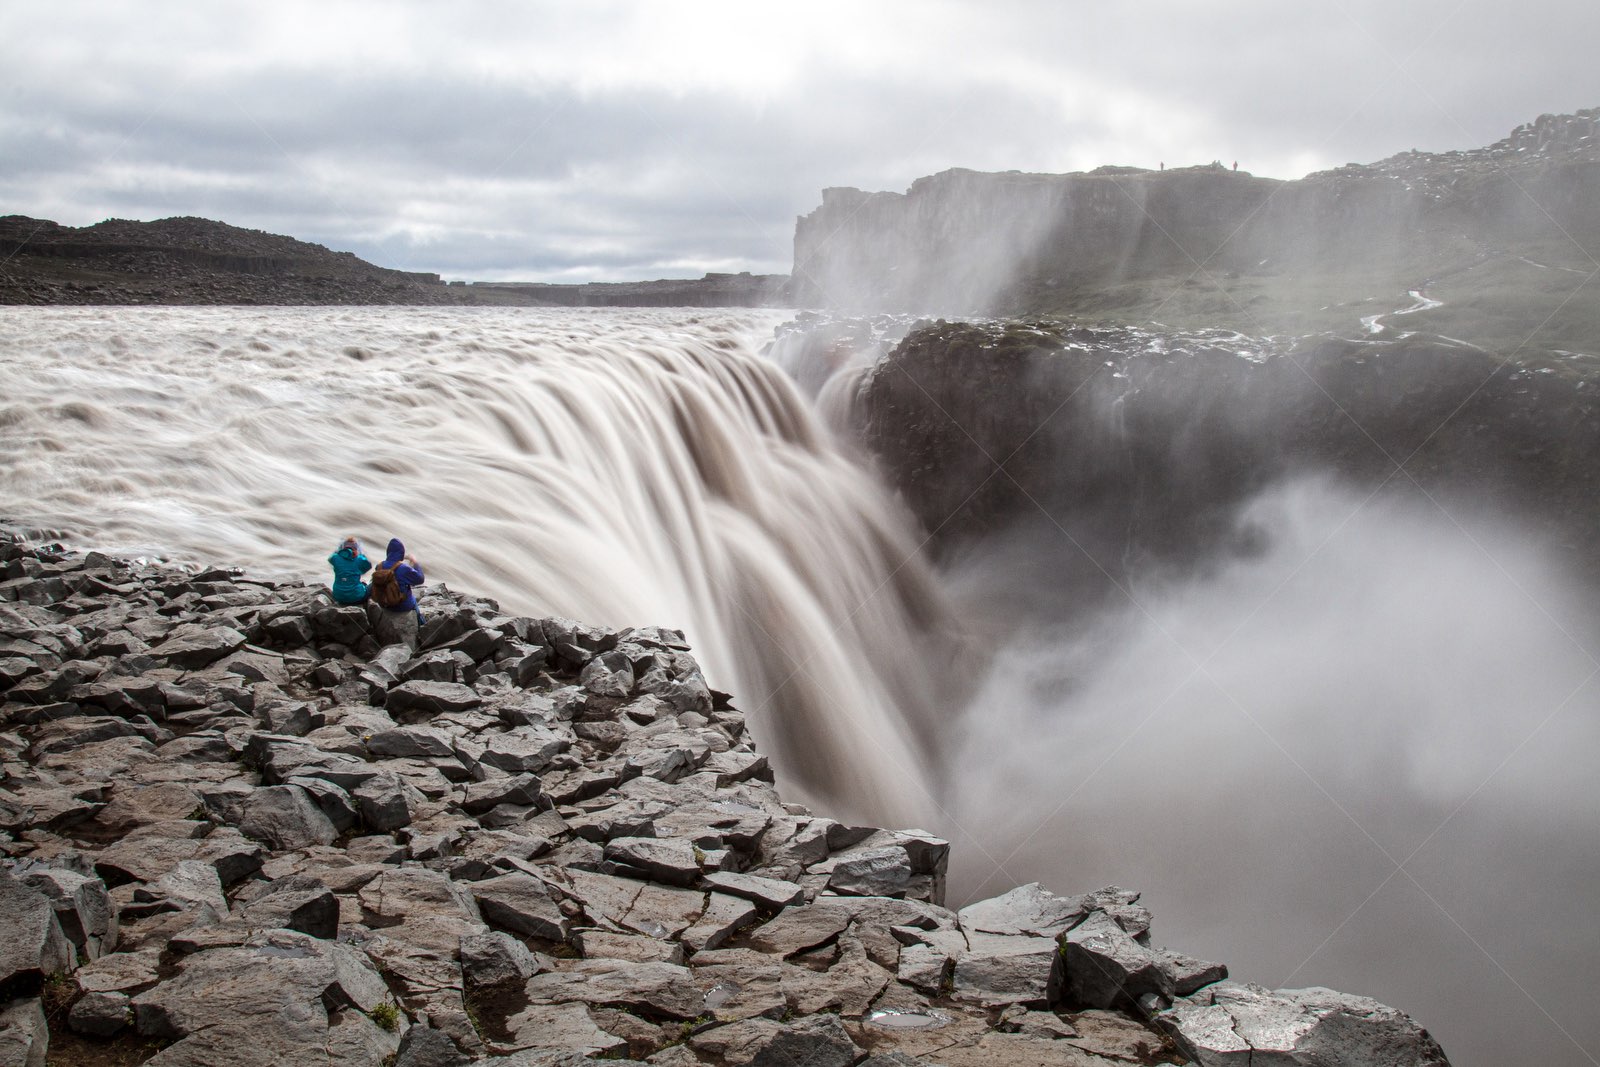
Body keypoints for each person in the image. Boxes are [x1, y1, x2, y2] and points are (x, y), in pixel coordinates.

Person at [370, 537, 426, 647]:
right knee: (414, 602)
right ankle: (422, 627)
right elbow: (420, 579)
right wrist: (415, 562)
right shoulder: (403, 568)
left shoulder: (379, 566)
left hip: (384, 604)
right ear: (401, 553)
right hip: (402, 606)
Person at [327, 536, 371, 604]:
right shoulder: (360, 559)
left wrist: (338, 550)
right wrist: (362, 554)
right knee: (370, 586)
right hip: (356, 597)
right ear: (356, 549)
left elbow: (330, 558)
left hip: (338, 596)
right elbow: (368, 566)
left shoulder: (335, 558)